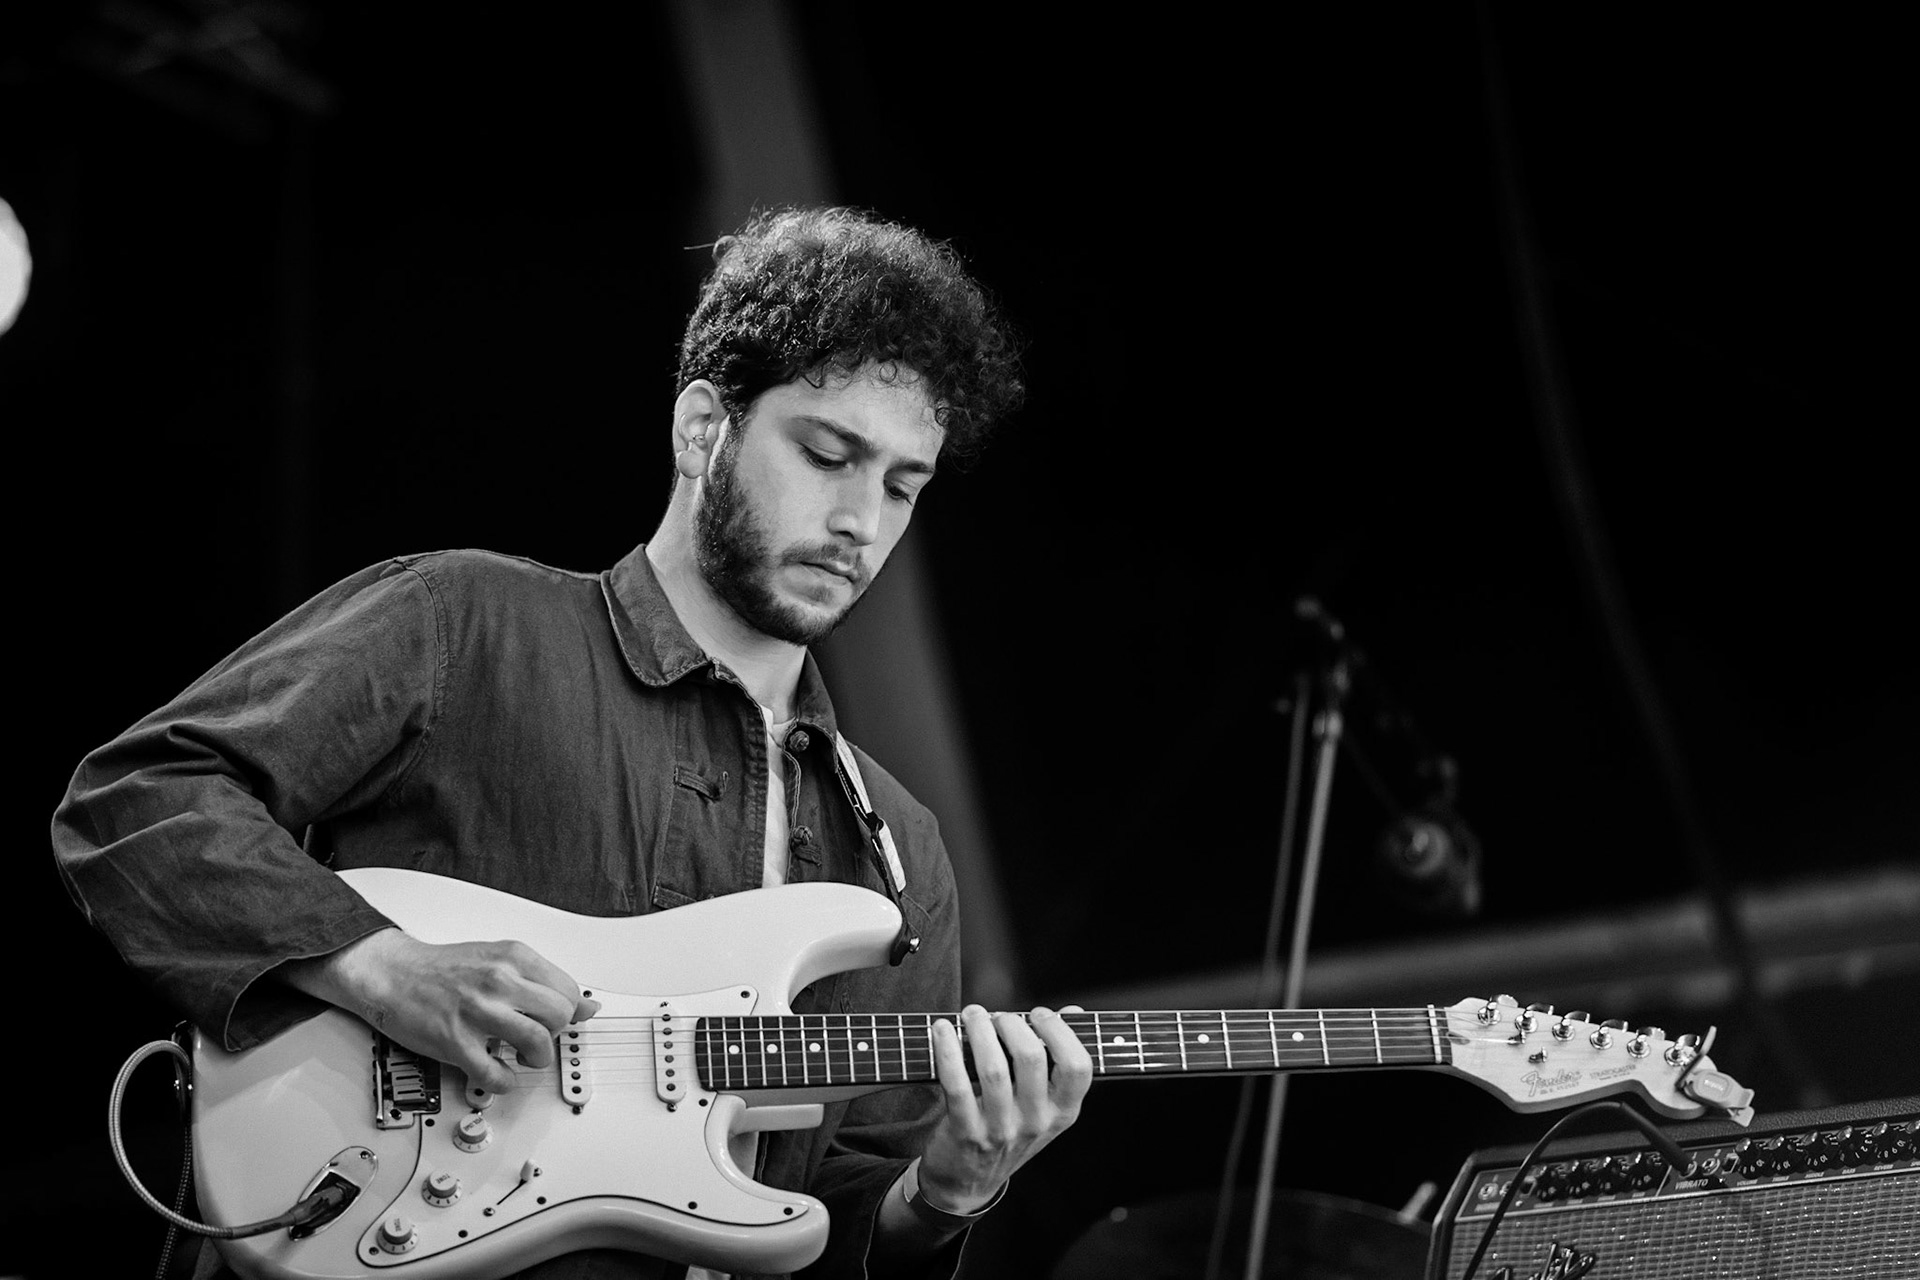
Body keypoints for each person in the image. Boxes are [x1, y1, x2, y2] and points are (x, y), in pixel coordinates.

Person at [51, 205, 1092, 1280]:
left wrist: (946, 1192)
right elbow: (138, 797)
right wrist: (376, 964)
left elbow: (831, 1223)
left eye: (902, 486)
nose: (861, 521)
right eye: (829, 455)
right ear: (703, 428)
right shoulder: (463, 621)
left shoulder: (900, 855)